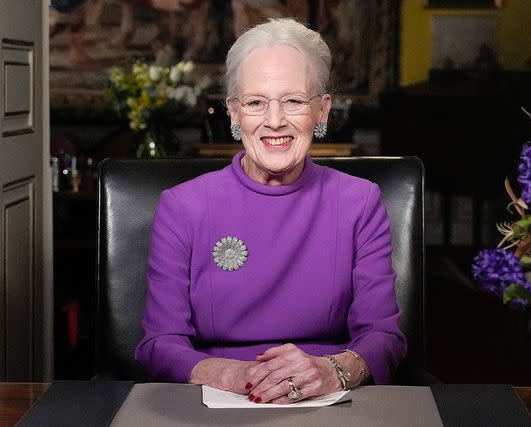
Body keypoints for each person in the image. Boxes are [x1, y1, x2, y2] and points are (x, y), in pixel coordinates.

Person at [135, 18, 406, 404]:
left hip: (327, 403)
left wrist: (332, 371)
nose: (274, 121)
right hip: (213, 402)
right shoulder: (182, 206)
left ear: (322, 110)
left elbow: (384, 337)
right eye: (256, 102)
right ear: (233, 112)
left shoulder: (359, 202)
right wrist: (235, 375)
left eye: (294, 101)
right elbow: (159, 344)